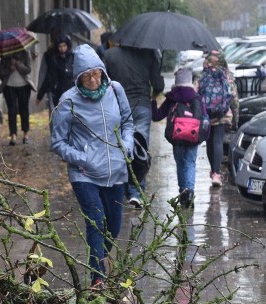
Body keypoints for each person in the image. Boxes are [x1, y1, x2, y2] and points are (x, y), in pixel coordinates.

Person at [50, 44, 134, 287]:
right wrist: (82, 158)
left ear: (103, 72)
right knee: (96, 222)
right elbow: (57, 142)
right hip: (84, 174)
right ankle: (97, 278)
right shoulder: (68, 101)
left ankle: (99, 258)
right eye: (87, 76)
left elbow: (128, 122)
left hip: (116, 171)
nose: (93, 80)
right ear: (78, 77)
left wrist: (126, 145)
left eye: (96, 73)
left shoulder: (116, 91)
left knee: (114, 227)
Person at [102, 42, 164, 209]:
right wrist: (153, 94)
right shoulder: (149, 53)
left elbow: (103, 83)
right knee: (139, 149)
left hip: (118, 107)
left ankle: (119, 189)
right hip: (142, 105)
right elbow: (159, 85)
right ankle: (136, 192)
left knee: (120, 147)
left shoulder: (110, 55)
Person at [151, 67, 208, 209]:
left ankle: (183, 192)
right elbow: (205, 119)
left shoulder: (172, 98)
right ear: (190, 81)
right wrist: (203, 137)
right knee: (190, 163)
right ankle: (189, 191)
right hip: (193, 137)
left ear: (177, 81)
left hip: (176, 137)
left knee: (181, 164)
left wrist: (153, 100)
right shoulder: (197, 98)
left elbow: (157, 116)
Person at [198, 50, 238, 186]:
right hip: (223, 114)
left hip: (206, 114)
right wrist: (235, 118)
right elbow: (234, 98)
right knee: (218, 141)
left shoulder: (202, 75)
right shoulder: (228, 75)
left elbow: (195, 95)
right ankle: (217, 173)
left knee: (210, 143)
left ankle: (213, 171)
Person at [0, 50, 36, 145]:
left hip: (24, 86)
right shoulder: (5, 55)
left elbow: (28, 70)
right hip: (9, 86)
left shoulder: (25, 53)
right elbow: (0, 72)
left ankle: (25, 134)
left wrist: (18, 64)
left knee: (24, 109)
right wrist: (10, 68)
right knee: (12, 110)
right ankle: (13, 135)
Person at [36, 35, 74, 115]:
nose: (62, 48)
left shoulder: (73, 56)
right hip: (56, 90)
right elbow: (49, 76)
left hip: (70, 90)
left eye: (64, 46)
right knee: (56, 113)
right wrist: (40, 94)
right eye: (60, 46)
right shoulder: (53, 58)